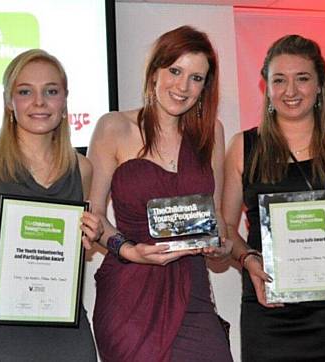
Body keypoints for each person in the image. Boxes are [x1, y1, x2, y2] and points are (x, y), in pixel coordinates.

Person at [87, 25, 232, 362]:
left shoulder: (212, 132)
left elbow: (219, 221)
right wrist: (128, 249)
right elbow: (93, 218)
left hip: (192, 290)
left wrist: (220, 245)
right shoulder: (114, 127)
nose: (182, 86)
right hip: (129, 296)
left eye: (196, 78)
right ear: (155, 73)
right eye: (175, 71)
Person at [222, 34, 325, 361]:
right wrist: (248, 260)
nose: (291, 91)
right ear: (267, 88)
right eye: (279, 80)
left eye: (302, 79)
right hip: (269, 308)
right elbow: (227, 229)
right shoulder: (243, 148)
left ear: (319, 85)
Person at [0, 49, 101, 362]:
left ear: (64, 100)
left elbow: (80, 243)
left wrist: (89, 236)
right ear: (9, 101)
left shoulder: (82, 168)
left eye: (51, 91)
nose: (39, 102)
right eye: (25, 92)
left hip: (63, 322)